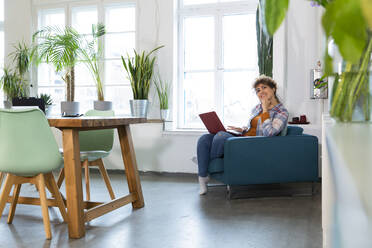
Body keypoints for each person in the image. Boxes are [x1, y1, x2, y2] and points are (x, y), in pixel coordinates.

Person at [196, 75, 289, 195]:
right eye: (258, 90)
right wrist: (241, 129)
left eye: (264, 87)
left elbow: (269, 133)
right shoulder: (257, 108)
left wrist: (266, 111)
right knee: (204, 139)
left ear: (273, 89)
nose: (261, 92)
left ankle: (205, 162)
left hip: (253, 144)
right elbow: (253, 128)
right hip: (243, 138)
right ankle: (203, 177)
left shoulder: (282, 112)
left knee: (220, 136)